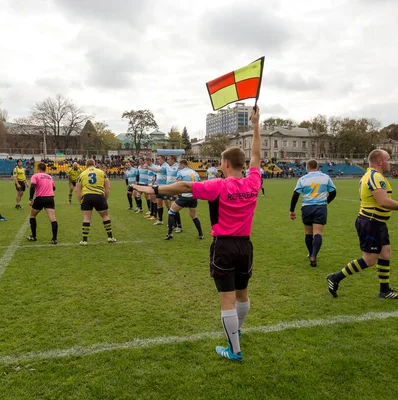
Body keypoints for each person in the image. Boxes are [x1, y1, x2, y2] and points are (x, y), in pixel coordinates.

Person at [133, 106, 262, 362]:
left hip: (224, 247)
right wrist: (256, 124)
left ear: (225, 164)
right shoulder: (253, 181)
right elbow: (257, 154)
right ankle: (237, 333)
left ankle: (234, 349)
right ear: (242, 164)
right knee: (242, 295)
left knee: (226, 300)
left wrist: (154, 189)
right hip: (245, 246)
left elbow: (183, 186)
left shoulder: (218, 185)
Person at [326, 149, 398, 300]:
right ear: (379, 161)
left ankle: (385, 291)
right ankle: (335, 278)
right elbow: (383, 202)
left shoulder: (373, 176)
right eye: (388, 159)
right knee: (369, 260)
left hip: (377, 222)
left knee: (385, 253)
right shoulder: (374, 176)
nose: (390, 162)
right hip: (371, 222)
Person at [289, 159, 337, 267]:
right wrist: (326, 202)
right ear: (317, 166)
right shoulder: (325, 177)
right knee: (318, 233)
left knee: (308, 233)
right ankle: (314, 255)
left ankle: (311, 253)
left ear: (307, 167)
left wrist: (292, 210)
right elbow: (333, 192)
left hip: (307, 208)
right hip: (320, 207)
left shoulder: (302, 179)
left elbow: (295, 195)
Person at [76, 159, 116, 245]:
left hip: (86, 197)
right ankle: (110, 237)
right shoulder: (102, 173)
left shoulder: (82, 174)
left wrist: (80, 201)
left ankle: (84, 240)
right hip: (99, 196)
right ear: (94, 164)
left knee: (87, 218)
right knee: (105, 216)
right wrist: (105, 198)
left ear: (86, 165)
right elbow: (108, 187)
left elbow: (77, 190)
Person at [163, 159, 203, 240]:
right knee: (194, 216)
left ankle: (169, 233)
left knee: (171, 211)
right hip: (193, 197)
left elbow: (178, 184)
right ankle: (201, 234)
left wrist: (175, 193)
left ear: (183, 165)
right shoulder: (195, 172)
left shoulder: (181, 172)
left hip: (184, 196)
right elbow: (199, 184)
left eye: (179, 166)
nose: (178, 167)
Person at [27, 163, 58, 244]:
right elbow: (54, 188)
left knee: (32, 216)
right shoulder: (49, 177)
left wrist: (30, 199)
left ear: (38, 168)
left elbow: (33, 186)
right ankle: (54, 239)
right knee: (53, 219)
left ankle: (34, 236)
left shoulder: (35, 175)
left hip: (40, 198)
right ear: (45, 169)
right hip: (50, 198)